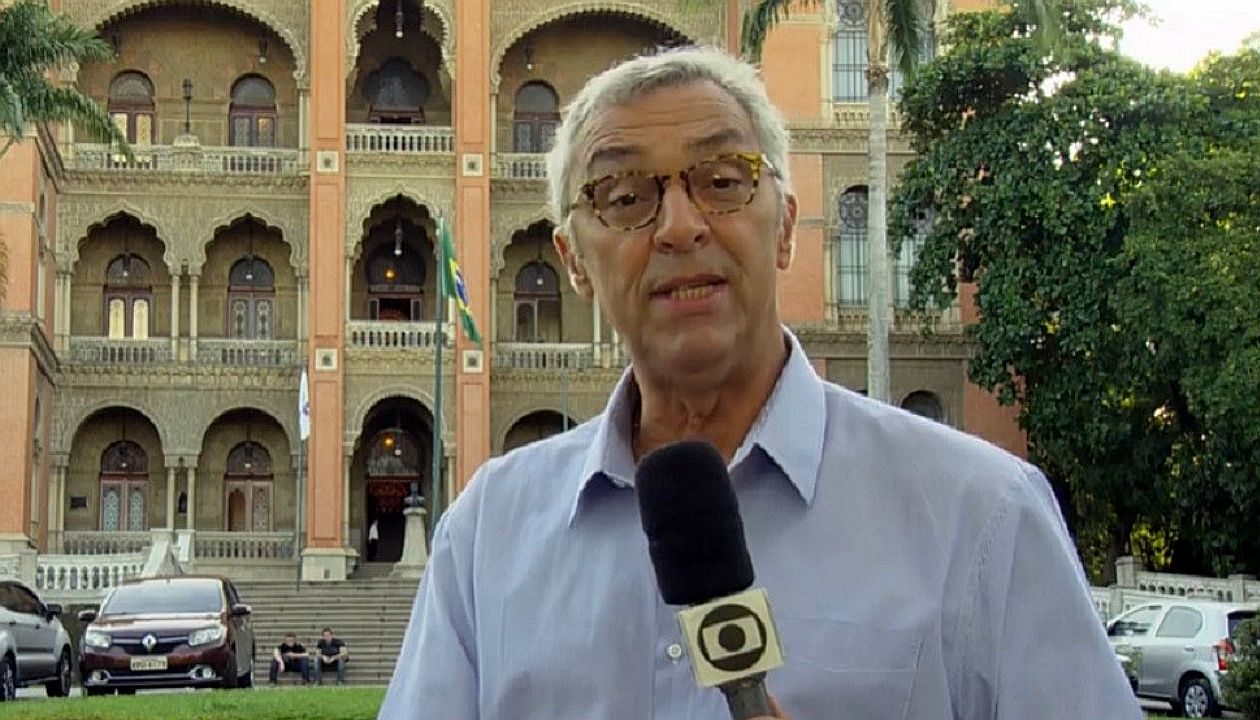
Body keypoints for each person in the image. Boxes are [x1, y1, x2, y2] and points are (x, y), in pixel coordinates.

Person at [380, 47, 1142, 720]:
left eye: (723, 180)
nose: (680, 226)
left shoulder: (980, 517)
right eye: (624, 196)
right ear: (573, 259)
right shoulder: (490, 533)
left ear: (784, 227)